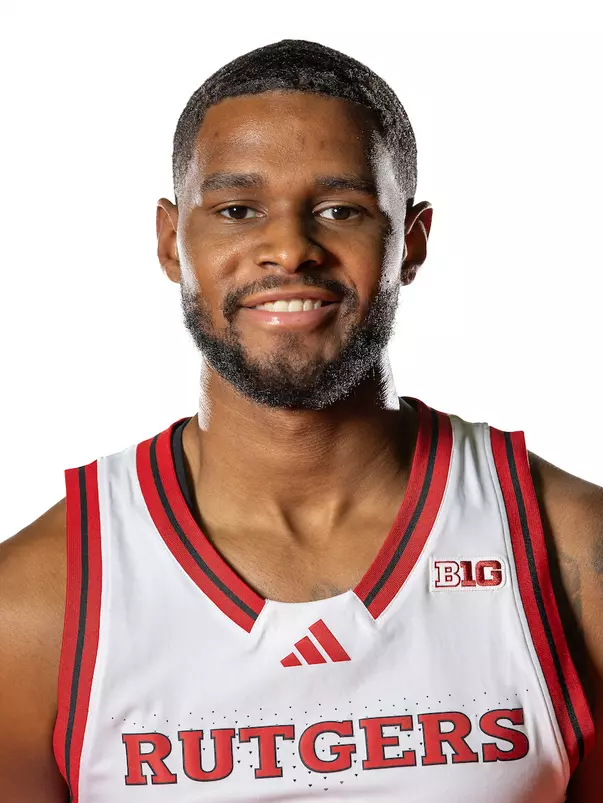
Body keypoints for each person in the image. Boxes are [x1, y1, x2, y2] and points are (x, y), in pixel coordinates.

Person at [0, 38, 601, 802]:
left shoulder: (570, 551)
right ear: (170, 242)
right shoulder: (35, 604)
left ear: (409, 241)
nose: (288, 247)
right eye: (237, 209)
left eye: (339, 209)